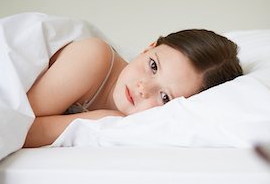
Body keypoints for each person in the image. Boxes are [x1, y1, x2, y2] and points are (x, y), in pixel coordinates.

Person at [24, 29, 243, 147]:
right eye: (153, 65)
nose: (143, 88)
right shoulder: (93, 58)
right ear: (148, 48)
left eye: (165, 97)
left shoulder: (130, 125)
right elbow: (17, 126)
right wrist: (103, 117)